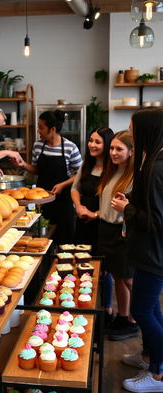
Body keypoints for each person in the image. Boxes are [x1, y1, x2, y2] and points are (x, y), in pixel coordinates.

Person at [111, 108, 163, 392]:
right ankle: (149, 358)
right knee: (151, 308)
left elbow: (156, 221)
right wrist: (131, 198)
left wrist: (126, 208)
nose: (131, 133)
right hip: (150, 253)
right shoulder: (154, 161)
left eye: (132, 128)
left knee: (142, 311)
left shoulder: (156, 167)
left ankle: (158, 375)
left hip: (154, 253)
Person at [97, 130, 139, 341]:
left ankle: (134, 320)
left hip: (122, 233)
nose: (113, 152)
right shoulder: (111, 172)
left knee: (129, 279)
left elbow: (135, 209)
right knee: (117, 277)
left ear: (131, 152)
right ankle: (123, 316)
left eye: (119, 149)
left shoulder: (134, 178)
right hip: (106, 230)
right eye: (112, 148)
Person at [71, 126, 114, 325]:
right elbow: (75, 188)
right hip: (82, 222)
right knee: (82, 265)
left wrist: (94, 214)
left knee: (104, 269)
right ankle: (84, 307)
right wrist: (79, 207)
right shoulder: (86, 164)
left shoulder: (114, 168)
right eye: (91, 140)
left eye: (97, 142)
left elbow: (114, 199)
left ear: (107, 145)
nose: (92, 145)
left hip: (102, 224)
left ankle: (106, 310)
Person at [19, 110, 82, 244]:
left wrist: (63, 184)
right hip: (42, 201)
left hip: (63, 202)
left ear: (52, 129)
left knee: (64, 239)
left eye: (41, 127)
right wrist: (23, 164)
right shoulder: (38, 146)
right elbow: (37, 170)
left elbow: (80, 174)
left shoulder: (70, 147)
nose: (38, 131)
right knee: (41, 239)